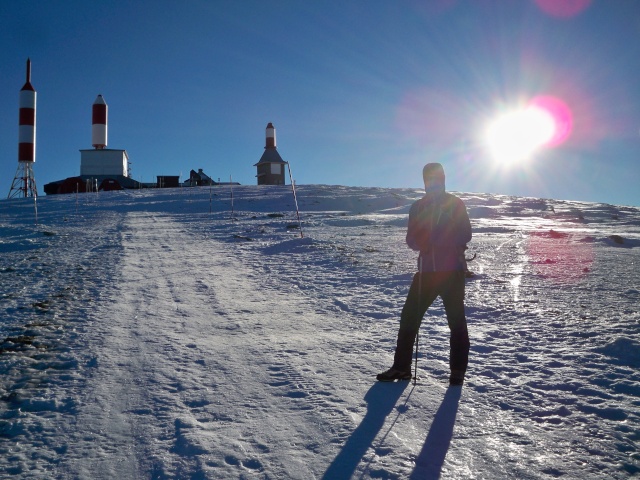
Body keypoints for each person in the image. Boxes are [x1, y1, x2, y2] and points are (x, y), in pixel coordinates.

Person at [377, 163, 472, 386]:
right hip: (426, 272)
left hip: (452, 273)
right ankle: (401, 368)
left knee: (456, 322)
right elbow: (411, 239)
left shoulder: (455, 203)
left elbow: (465, 234)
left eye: (437, 178)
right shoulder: (417, 207)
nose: (433, 182)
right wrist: (419, 242)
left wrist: (436, 240)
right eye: (429, 179)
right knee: (409, 317)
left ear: (443, 178)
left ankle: (458, 372)